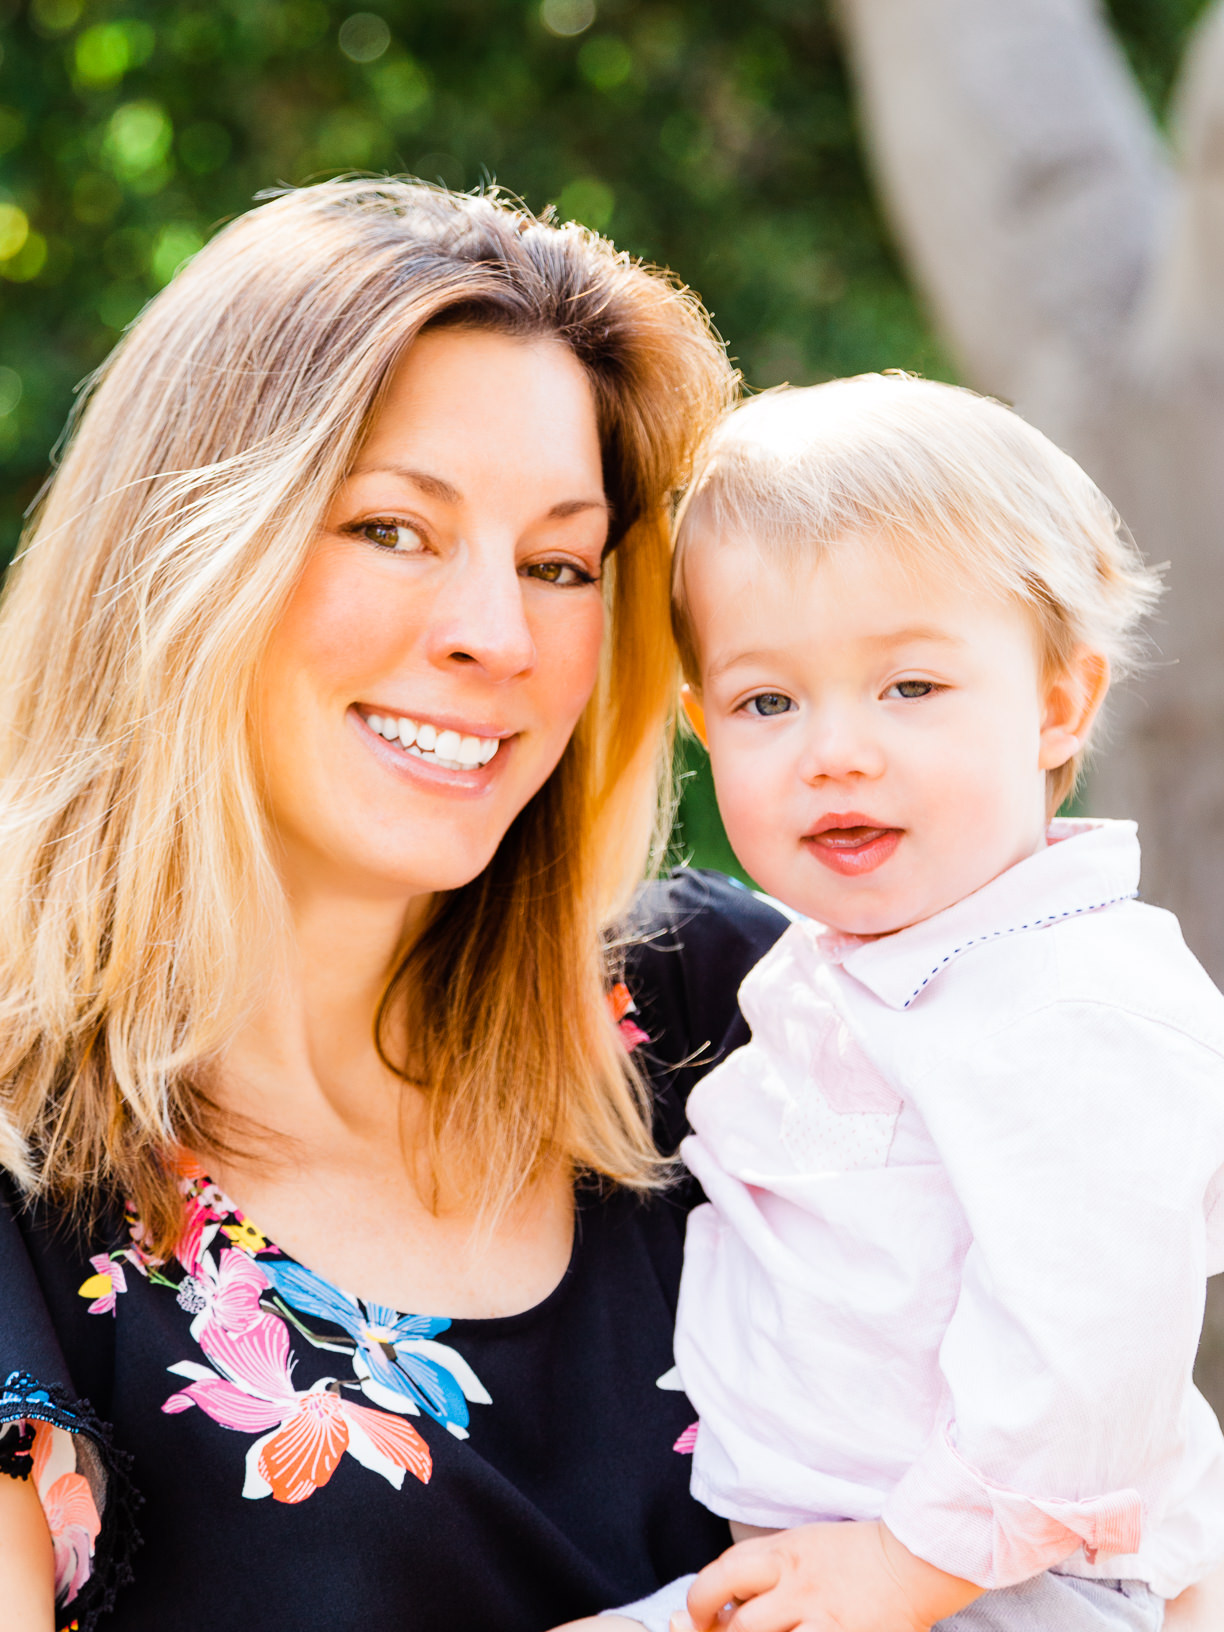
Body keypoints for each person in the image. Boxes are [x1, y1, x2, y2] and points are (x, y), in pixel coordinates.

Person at [0, 177, 796, 1632]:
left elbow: (1139, 1519)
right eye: (391, 528)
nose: (498, 636)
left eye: (560, 564)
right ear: (181, 554)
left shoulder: (742, 1020)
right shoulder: (21, 1193)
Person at [597, 375, 1224, 1632]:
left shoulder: (1079, 995)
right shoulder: (846, 963)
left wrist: (909, 1566)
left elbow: (1091, 1346)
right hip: (859, 1561)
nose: (836, 749)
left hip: (991, 1573)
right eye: (769, 702)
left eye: (910, 688)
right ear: (702, 728)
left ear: (1059, 705)